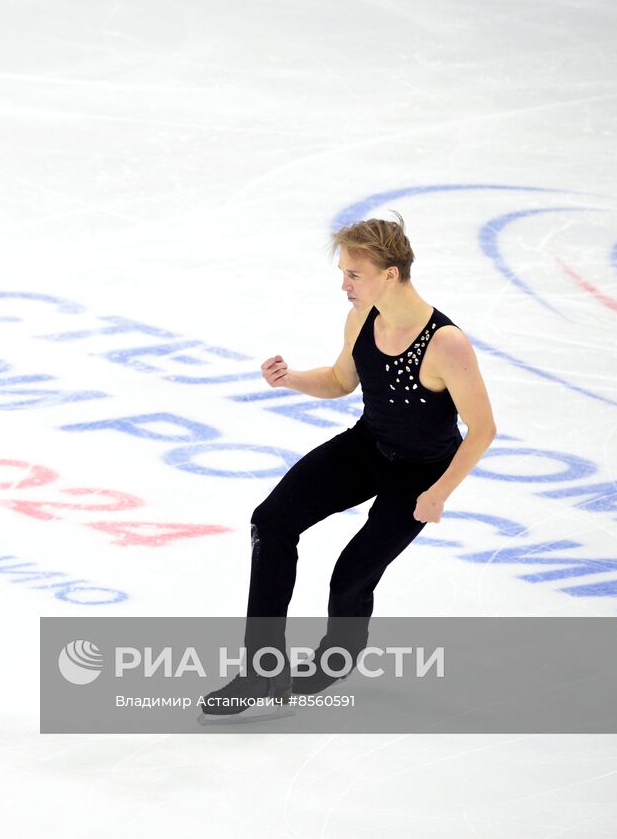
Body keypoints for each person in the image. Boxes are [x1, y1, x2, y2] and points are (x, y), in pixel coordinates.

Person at [201, 213, 496, 721]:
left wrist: (439, 493)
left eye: (353, 275)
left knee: (349, 578)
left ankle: (331, 662)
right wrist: (290, 379)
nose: (344, 286)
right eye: (343, 273)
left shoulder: (446, 343)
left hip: (420, 474)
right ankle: (261, 669)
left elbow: (483, 429)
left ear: (391, 273)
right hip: (367, 448)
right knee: (271, 522)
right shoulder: (362, 318)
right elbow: (342, 380)